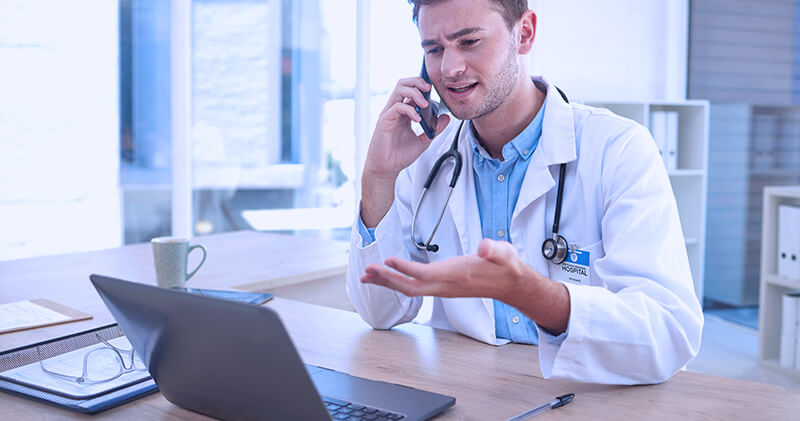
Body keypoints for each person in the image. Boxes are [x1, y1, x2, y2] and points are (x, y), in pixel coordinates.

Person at [346, 0, 703, 385]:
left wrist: (531, 294)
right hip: (470, 389)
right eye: (433, 49)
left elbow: (669, 332)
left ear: (525, 33)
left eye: (468, 42)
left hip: (591, 397)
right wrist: (377, 178)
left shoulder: (618, 149)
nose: (449, 69)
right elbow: (380, 312)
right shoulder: (429, 156)